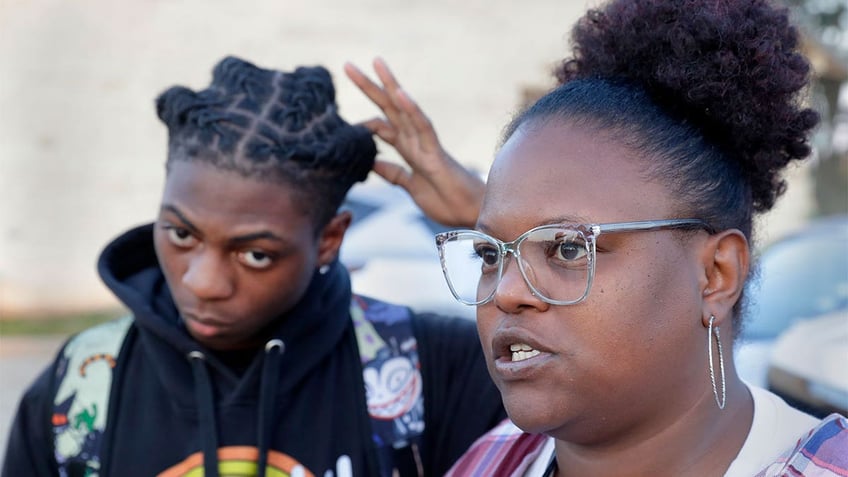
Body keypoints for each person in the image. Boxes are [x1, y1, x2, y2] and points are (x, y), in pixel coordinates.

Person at [345, 0, 848, 475]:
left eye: (567, 248)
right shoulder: (493, 460)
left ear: (716, 275)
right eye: (489, 254)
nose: (506, 292)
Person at [1, 56, 505, 477]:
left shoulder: (427, 367)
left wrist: (489, 217)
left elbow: (583, 418)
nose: (203, 283)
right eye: (181, 234)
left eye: (255, 254)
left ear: (329, 240)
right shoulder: (86, 381)